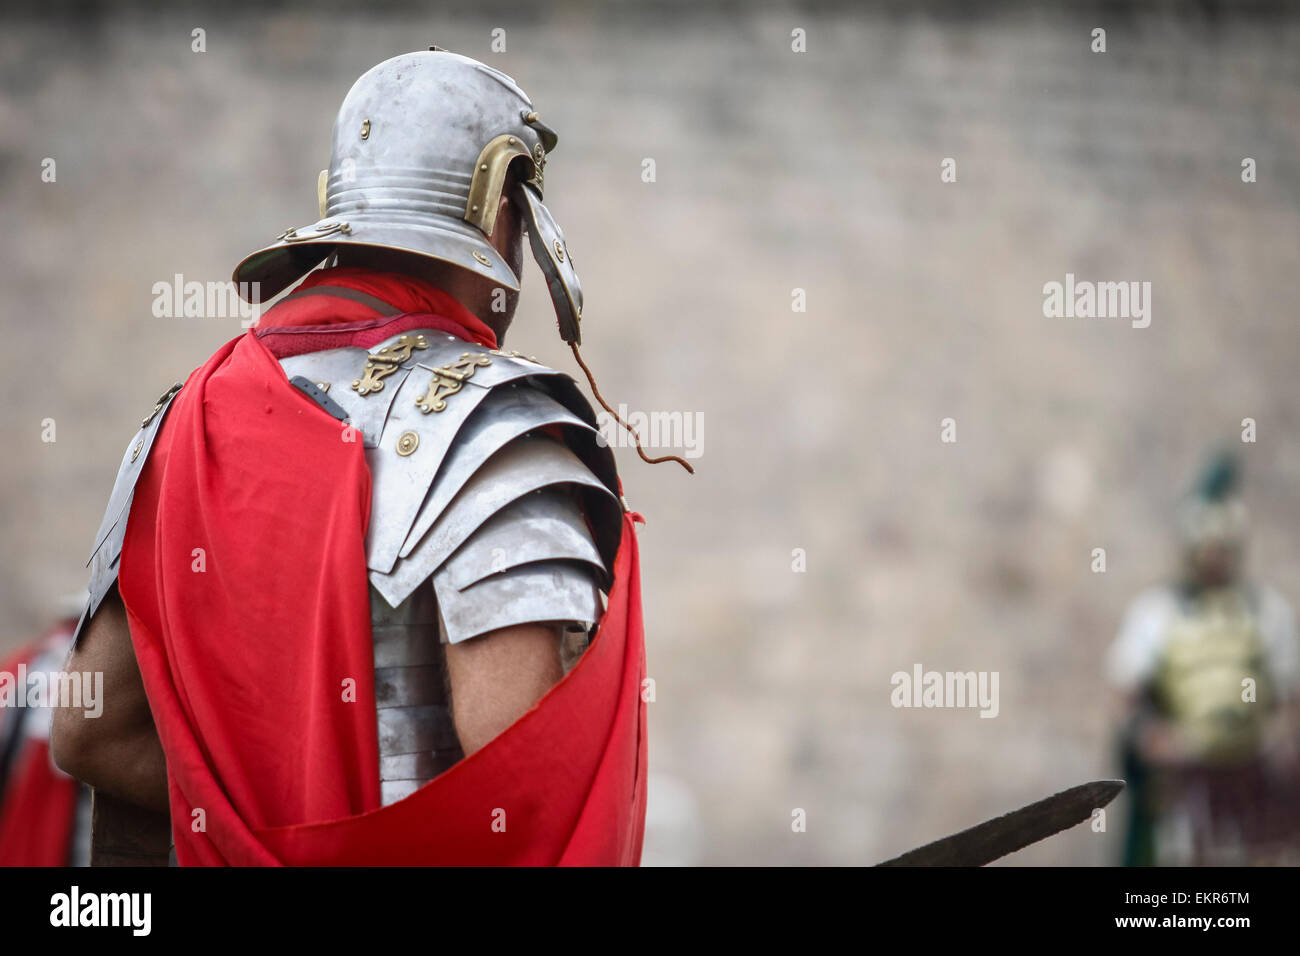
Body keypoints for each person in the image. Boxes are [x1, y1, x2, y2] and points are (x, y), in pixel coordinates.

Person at [52, 49, 650, 866]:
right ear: (502, 214)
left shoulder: (181, 421)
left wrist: (257, 822)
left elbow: (89, 734)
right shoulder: (491, 425)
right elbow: (527, 788)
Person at [1106, 452, 1300, 865]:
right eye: (1207, 547)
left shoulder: (1265, 612)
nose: (1215, 557)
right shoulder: (1158, 613)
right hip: (1186, 783)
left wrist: (1274, 743)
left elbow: (1288, 698)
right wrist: (1158, 741)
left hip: (1253, 782)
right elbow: (1125, 697)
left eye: (1223, 548)